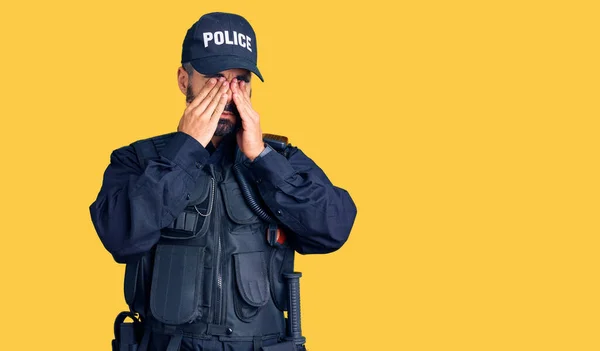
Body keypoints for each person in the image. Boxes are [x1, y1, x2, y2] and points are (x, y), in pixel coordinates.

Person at [89, 11, 357, 351]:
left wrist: (262, 160)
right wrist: (184, 152)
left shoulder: (281, 159)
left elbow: (333, 229)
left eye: (241, 80)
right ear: (184, 80)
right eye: (215, 78)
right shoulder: (139, 160)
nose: (229, 93)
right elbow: (119, 236)